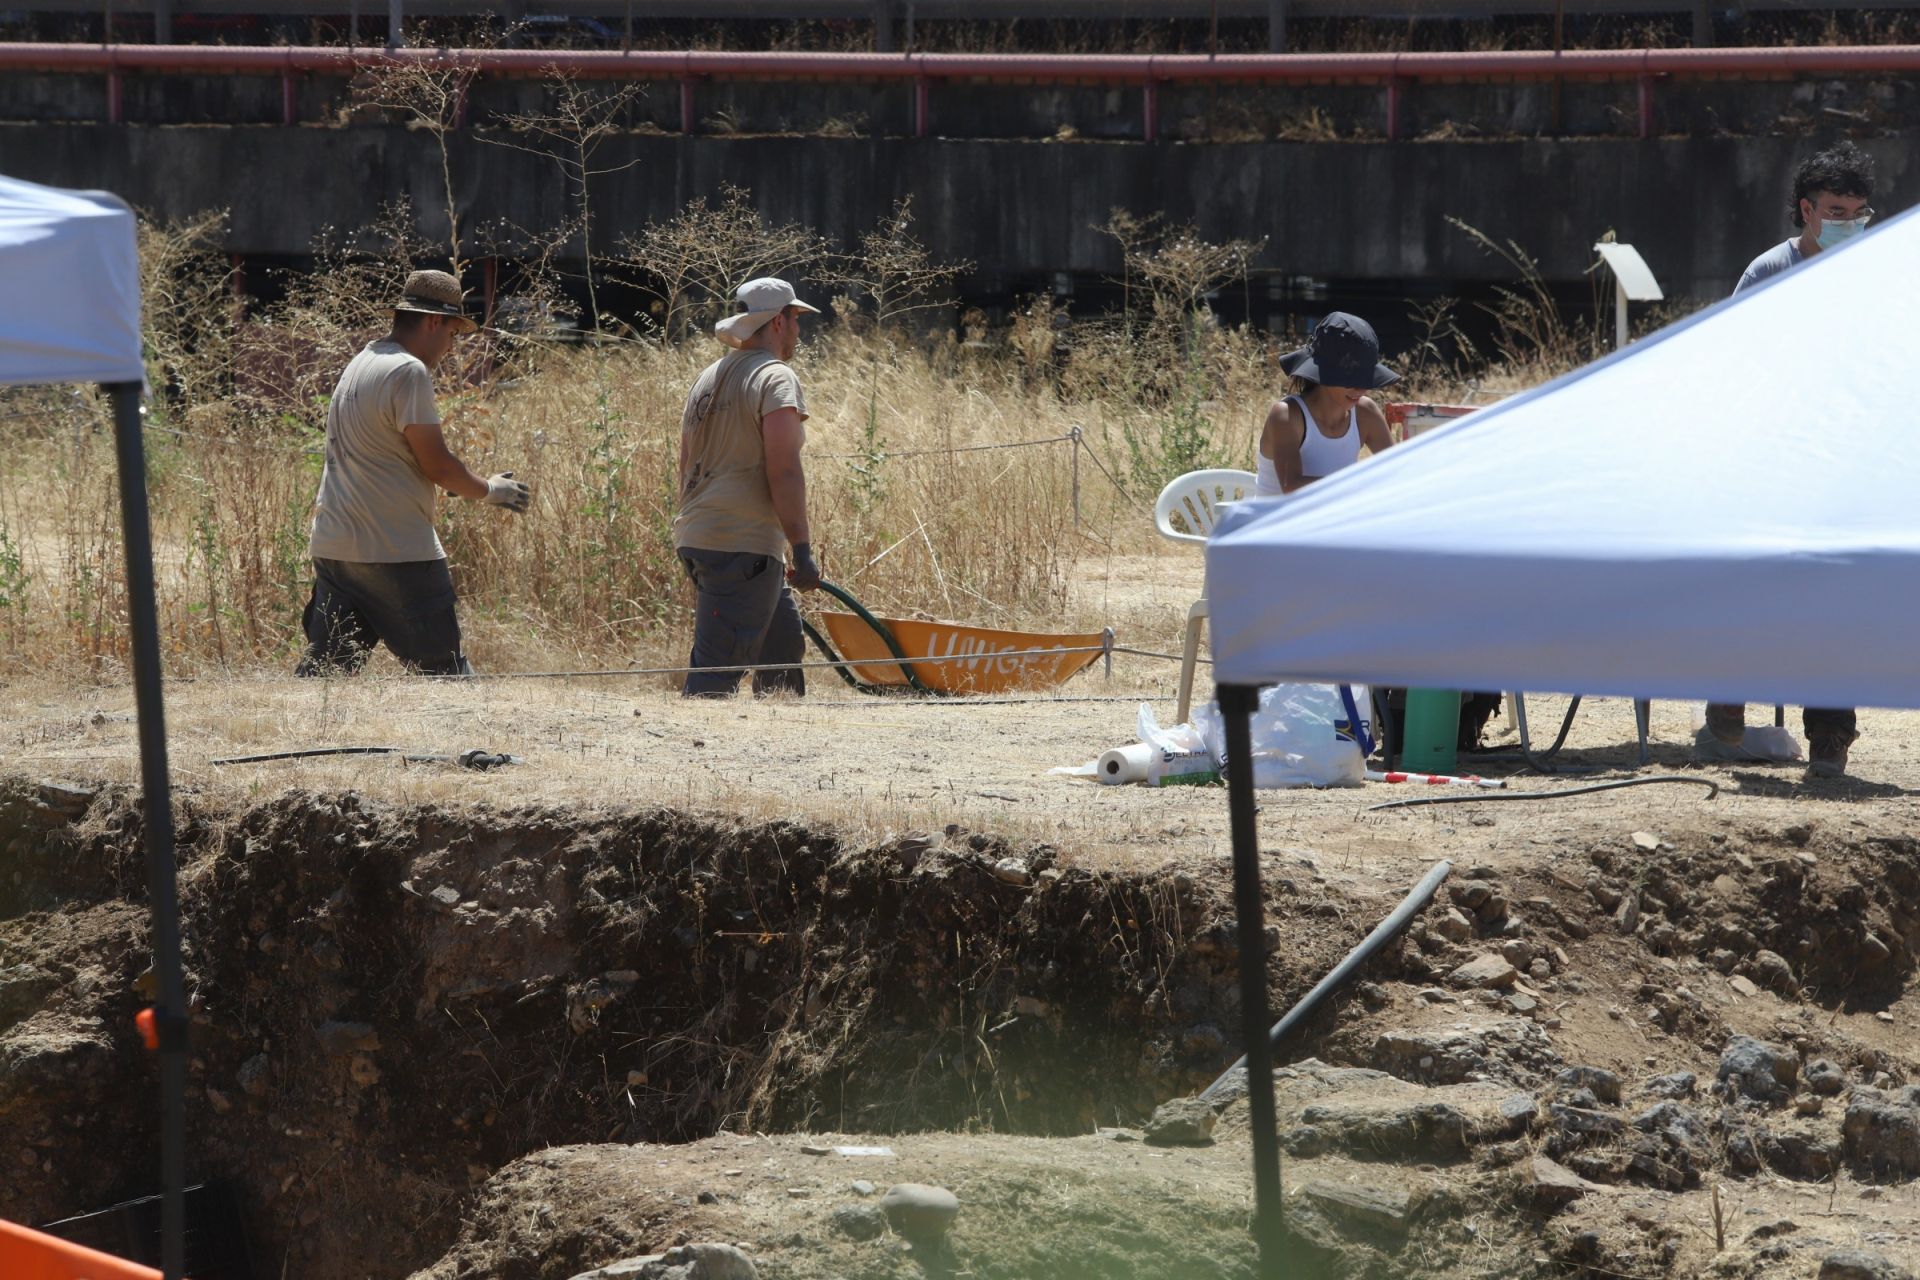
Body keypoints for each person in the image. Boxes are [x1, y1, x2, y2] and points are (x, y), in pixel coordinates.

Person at [1699, 140, 1875, 778]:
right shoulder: (1767, 274)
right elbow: (1732, 364)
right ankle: (1726, 708)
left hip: (1845, 467)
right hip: (1771, 463)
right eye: (1837, 210)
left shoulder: (1877, 275)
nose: (1852, 222)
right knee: (1753, 586)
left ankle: (1830, 736)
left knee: (1835, 600)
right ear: (1807, 211)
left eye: (1860, 211)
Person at [297, 269, 530, 677]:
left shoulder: (362, 361)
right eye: (453, 333)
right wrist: (492, 489)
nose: (451, 346)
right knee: (445, 673)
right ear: (434, 321)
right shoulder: (409, 371)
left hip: (336, 545)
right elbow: (437, 465)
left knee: (327, 674)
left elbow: (388, 455)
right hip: (394, 547)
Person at [674, 276, 823, 698]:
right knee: (716, 675)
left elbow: (684, 462)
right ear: (778, 322)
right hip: (740, 543)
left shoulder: (707, 378)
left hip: (703, 533)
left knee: (782, 644)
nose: (798, 330)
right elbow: (785, 470)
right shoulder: (776, 377)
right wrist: (803, 549)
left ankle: (784, 732)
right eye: (796, 319)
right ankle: (691, 755)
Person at [1255, 311, 1397, 497]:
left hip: (1333, 523)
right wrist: (1360, 483)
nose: (1360, 388)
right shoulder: (1287, 415)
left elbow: (1398, 470)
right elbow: (1291, 486)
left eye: (1365, 379)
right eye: (1350, 378)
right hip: (1276, 524)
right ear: (1324, 375)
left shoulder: (1365, 413)